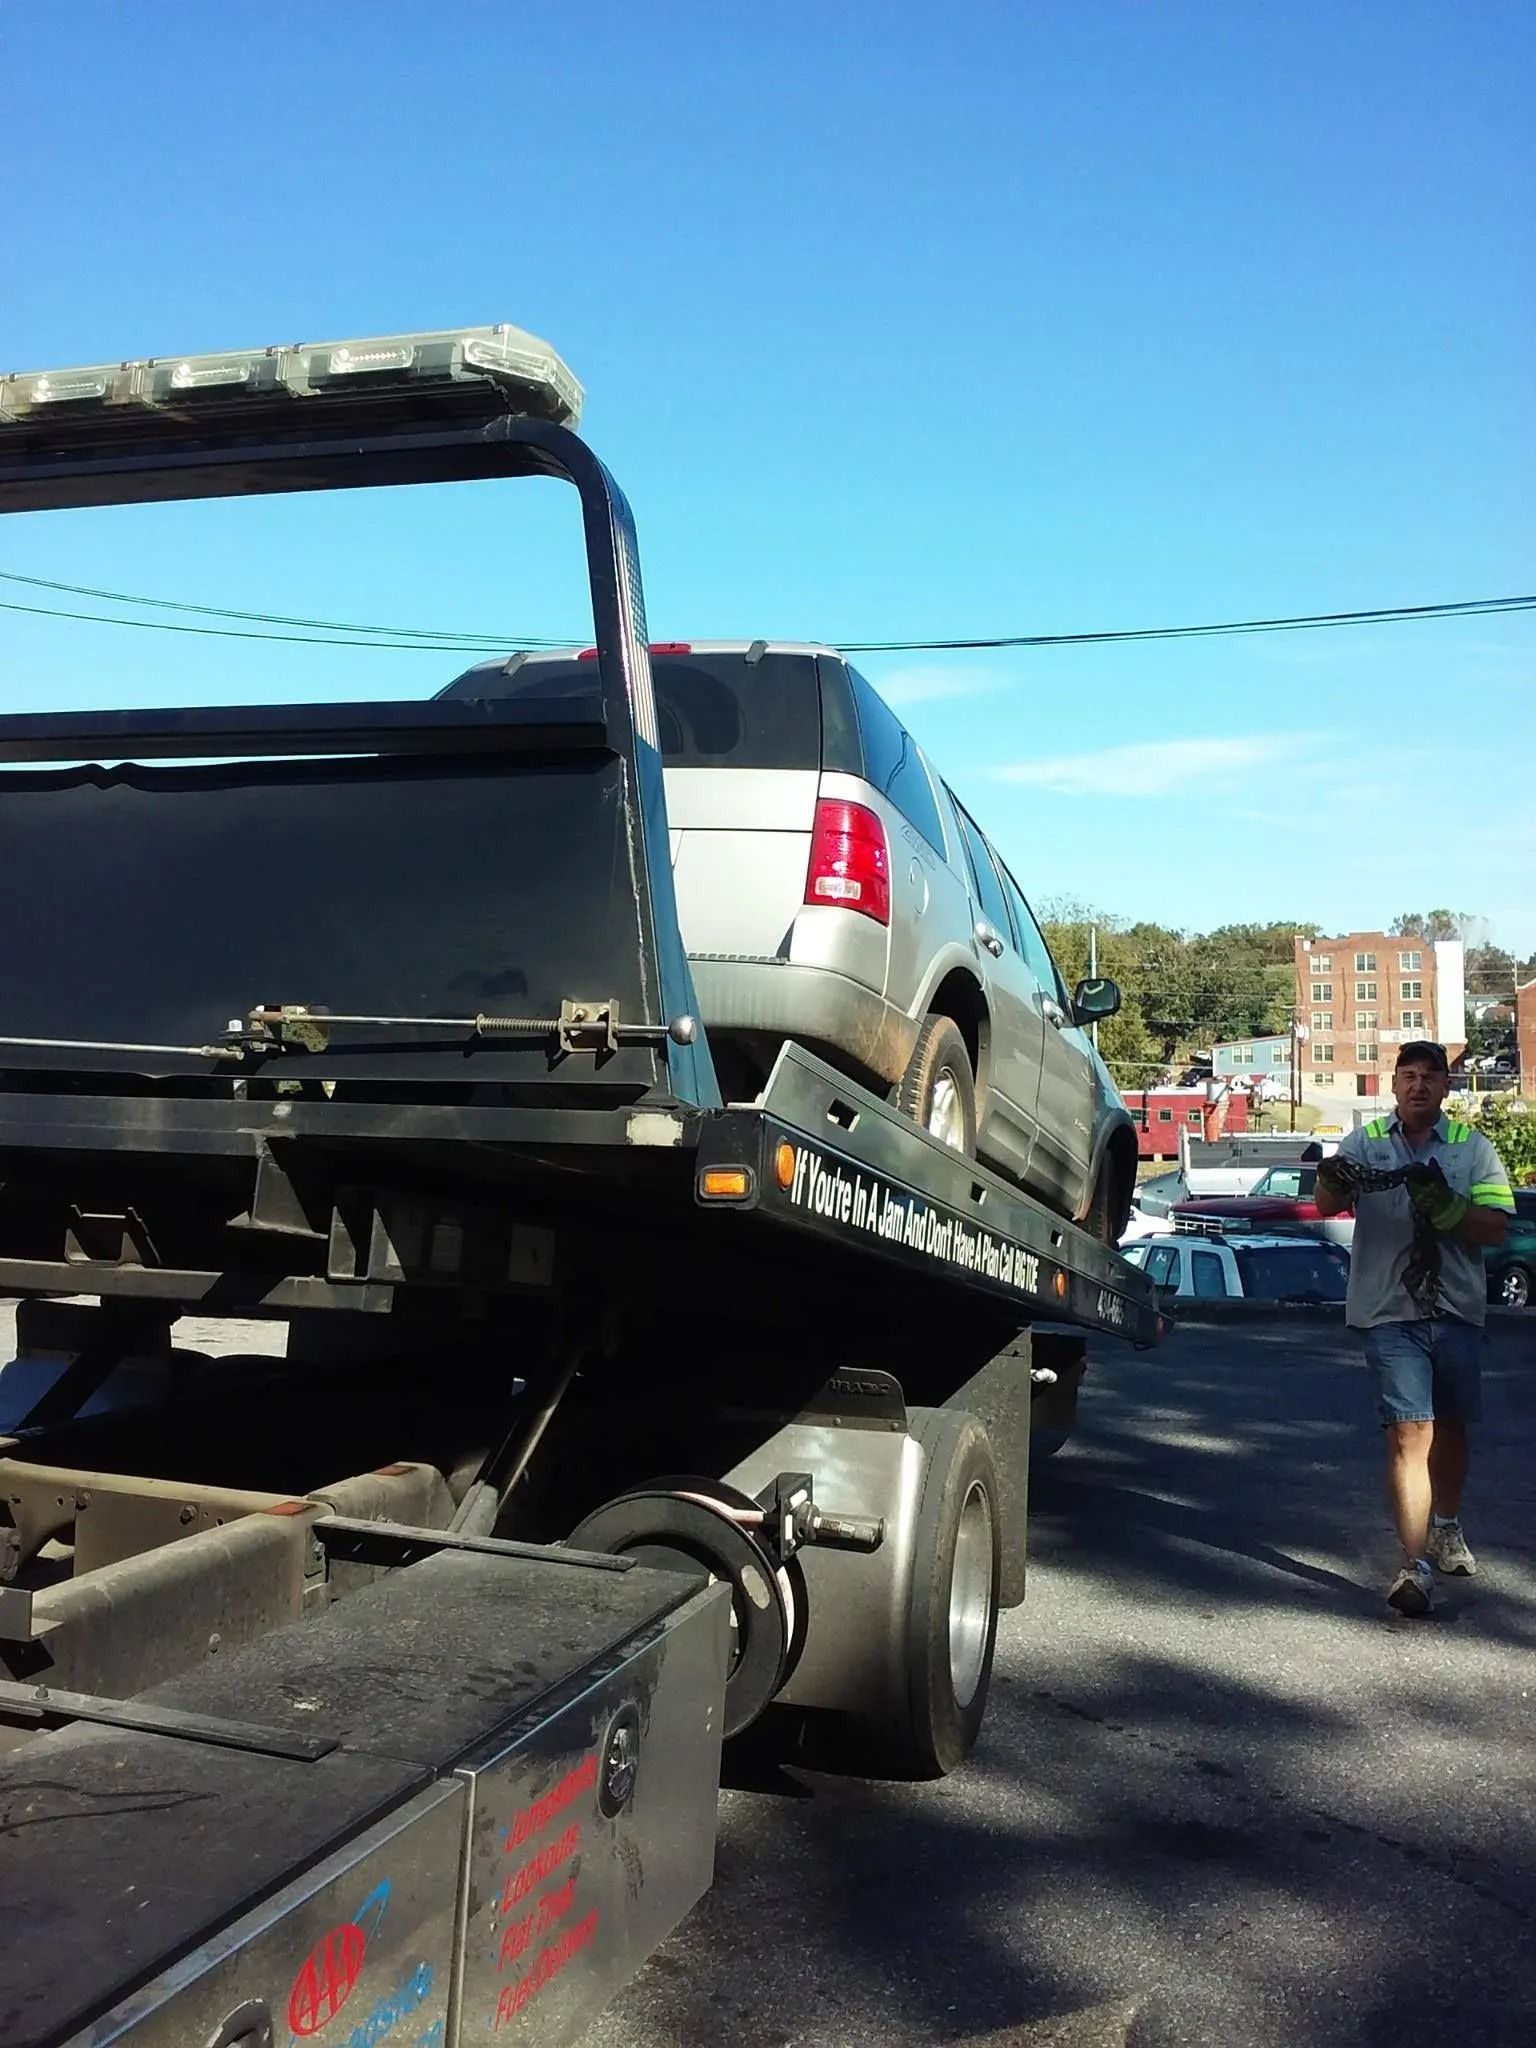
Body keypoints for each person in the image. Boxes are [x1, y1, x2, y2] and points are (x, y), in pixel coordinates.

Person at [1315, 1042, 1512, 1616]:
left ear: (1446, 1088)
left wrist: (1450, 1211)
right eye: (1408, 1076)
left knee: (1450, 1428)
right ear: (1393, 1084)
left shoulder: (1472, 1149)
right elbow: (1327, 1201)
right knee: (1410, 1432)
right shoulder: (1366, 1142)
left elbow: (1497, 1228)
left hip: (1456, 1308)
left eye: (1430, 1076)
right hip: (1387, 1309)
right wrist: (1332, 1173)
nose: (1418, 1085)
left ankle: (1445, 1525)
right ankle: (1414, 1562)